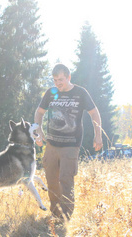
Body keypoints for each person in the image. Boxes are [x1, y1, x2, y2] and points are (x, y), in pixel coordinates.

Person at [34, 63, 103, 220]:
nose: (58, 83)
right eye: (55, 80)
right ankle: (55, 214)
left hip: (71, 145)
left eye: (61, 80)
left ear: (69, 77)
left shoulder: (80, 93)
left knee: (66, 180)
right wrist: (38, 131)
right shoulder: (50, 93)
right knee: (51, 181)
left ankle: (66, 218)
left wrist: (97, 135)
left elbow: (94, 113)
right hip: (51, 145)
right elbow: (39, 113)